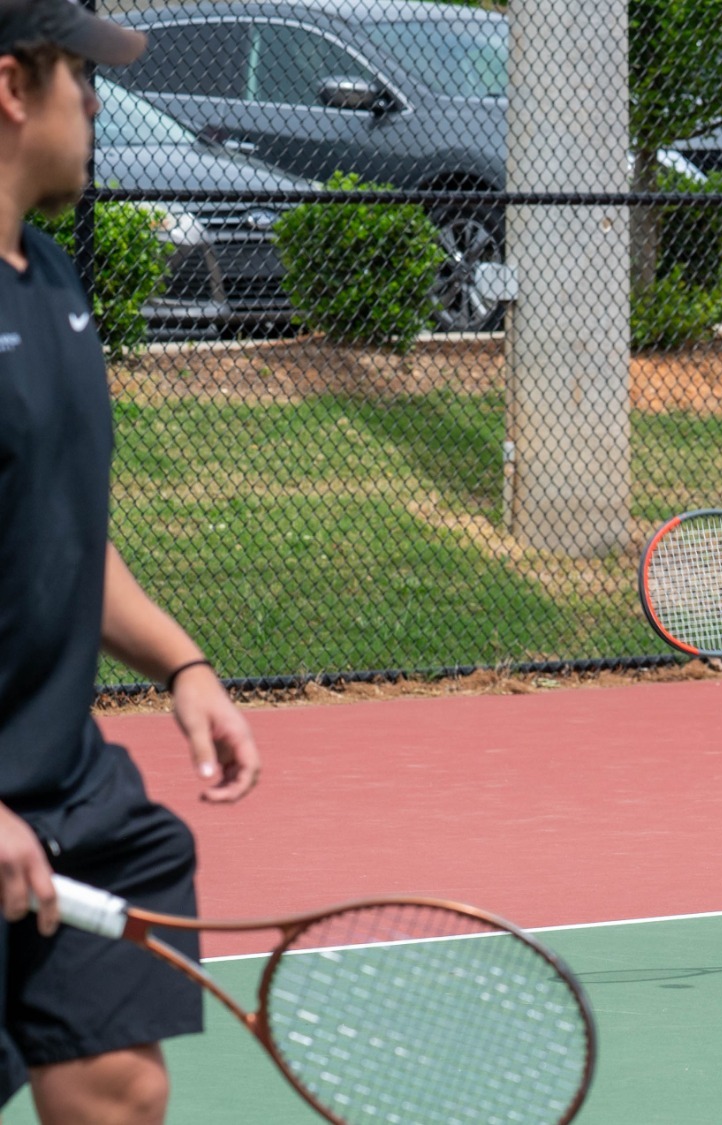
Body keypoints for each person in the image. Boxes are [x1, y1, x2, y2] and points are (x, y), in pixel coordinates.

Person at [0, 2, 262, 1120]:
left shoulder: (48, 279)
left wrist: (181, 664)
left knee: (116, 1085)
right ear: (14, 88)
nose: (99, 105)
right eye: (83, 80)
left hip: (61, 788)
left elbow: (51, 529)